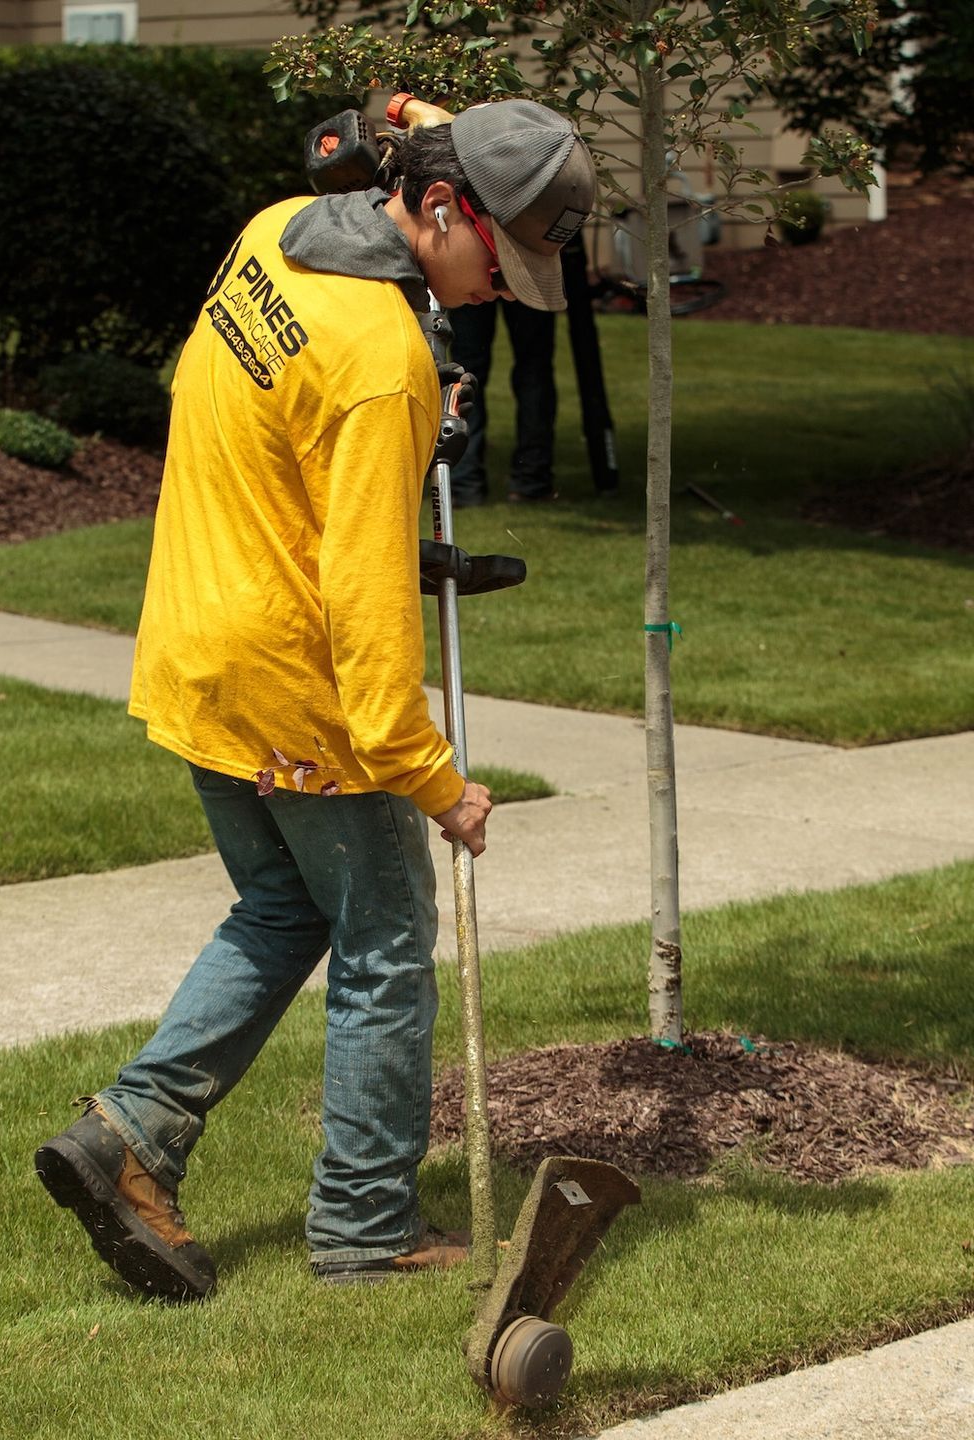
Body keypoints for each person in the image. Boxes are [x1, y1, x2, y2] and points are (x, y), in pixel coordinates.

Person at [34, 100, 596, 1299]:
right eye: (507, 262)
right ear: (443, 210)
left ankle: (130, 1135)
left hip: (199, 648)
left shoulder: (281, 231)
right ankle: (363, 1227)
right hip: (303, 693)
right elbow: (368, 619)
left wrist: (437, 131)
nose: (509, 289)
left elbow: (283, 437)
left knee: (286, 908)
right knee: (387, 944)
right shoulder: (382, 370)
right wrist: (436, 782)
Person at [448, 296, 559, 506]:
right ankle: (531, 479)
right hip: (524, 271)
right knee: (533, 369)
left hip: (477, 269)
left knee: (467, 369)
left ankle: (465, 481)